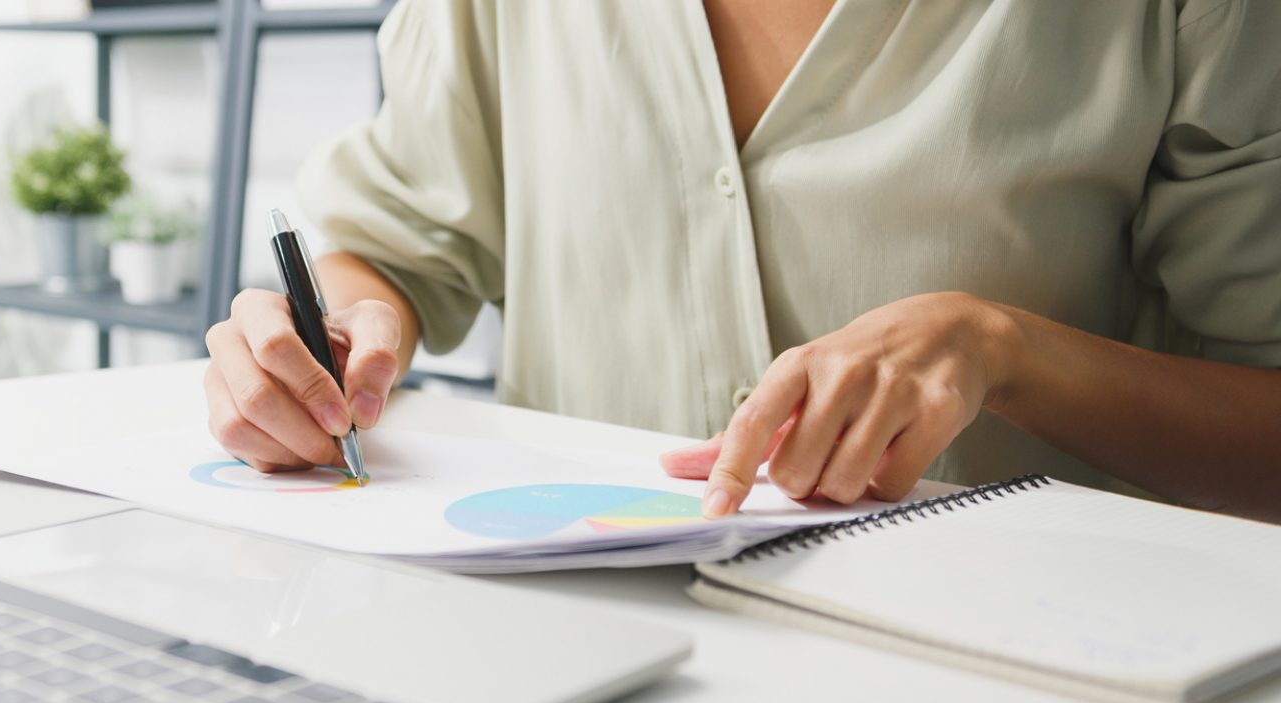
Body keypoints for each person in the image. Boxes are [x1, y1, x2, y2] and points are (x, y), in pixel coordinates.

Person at [202, 0, 1281, 523]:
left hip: (1013, 700)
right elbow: (384, 248)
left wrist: (1004, 348)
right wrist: (334, 334)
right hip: (567, 671)